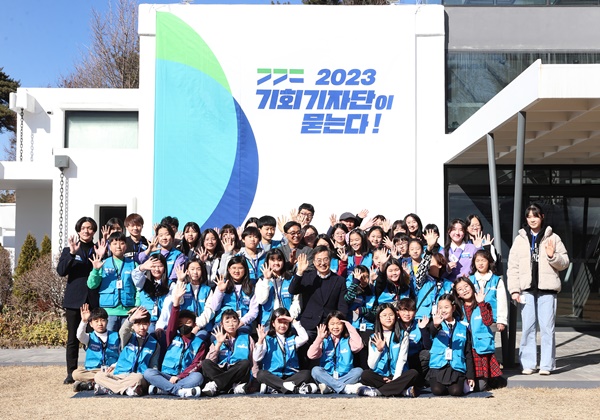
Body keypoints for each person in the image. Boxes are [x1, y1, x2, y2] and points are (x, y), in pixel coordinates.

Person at [507, 203, 569, 376]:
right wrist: (514, 289)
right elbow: (513, 267)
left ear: (542, 217)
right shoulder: (520, 239)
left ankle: (546, 365)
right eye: (529, 216)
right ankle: (528, 364)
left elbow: (565, 262)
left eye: (535, 215)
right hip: (526, 290)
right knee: (528, 327)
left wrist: (552, 256)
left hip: (547, 290)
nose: (532, 219)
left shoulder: (553, 237)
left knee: (547, 329)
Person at [144, 282, 207, 398]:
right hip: (167, 375)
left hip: (184, 377)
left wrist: (179, 377)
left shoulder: (199, 343)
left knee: (198, 377)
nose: (184, 325)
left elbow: (196, 364)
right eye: (181, 323)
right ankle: (178, 391)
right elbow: (172, 321)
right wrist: (176, 302)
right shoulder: (172, 336)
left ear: (194, 324)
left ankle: (164, 389)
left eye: (188, 322)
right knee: (148, 373)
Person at [57, 216, 100, 384]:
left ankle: (94, 370)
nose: (86, 231)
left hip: (93, 300)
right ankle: (71, 372)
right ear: (78, 231)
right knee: (73, 338)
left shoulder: (99, 249)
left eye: (89, 228)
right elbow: (61, 271)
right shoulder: (69, 250)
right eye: (83, 228)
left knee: (94, 337)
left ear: (94, 231)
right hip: (74, 300)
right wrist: (72, 253)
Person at [289, 247, 348, 353]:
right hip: (309, 325)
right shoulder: (307, 276)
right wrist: (300, 272)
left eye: (325, 259)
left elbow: (342, 305)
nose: (322, 263)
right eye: (319, 260)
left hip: (329, 327)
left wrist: (337, 324)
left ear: (330, 260)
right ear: (313, 262)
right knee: (306, 356)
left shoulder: (339, 280)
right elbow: (292, 290)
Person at [94, 306, 160, 396]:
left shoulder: (155, 343)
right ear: (133, 325)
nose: (142, 327)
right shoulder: (128, 337)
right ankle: (127, 389)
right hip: (120, 374)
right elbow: (123, 331)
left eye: (144, 324)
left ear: (149, 324)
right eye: (138, 324)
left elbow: (154, 366)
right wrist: (131, 318)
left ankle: (109, 388)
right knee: (98, 376)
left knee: (138, 378)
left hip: (137, 376)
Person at [357, 303, 420, 397]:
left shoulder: (403, 335)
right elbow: (372, 365)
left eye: (391, 315)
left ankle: (378, 392)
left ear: (396, 316)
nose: (388, 318)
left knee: (413, 373)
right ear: (379, 318)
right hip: (381, 376)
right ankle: (402, 391)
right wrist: (379, 350)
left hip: (398, 375)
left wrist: (395, 379)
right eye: (384, 315)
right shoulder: (373, 337)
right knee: (365, 375)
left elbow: (402, 360)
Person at [454, 276, 505, 391]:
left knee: (481, 387)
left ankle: (493, 379)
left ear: (472, 287)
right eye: (460, 289)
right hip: (466, 348)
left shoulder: (484, 304)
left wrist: (481, 303)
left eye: (466, 286)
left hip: (480, 348)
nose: (464, 290)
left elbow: (488, 321)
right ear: (458, 294)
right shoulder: (457, 309)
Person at [254, 308, 316, 394]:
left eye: (285, 322)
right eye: (280, 322)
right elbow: (256, 358)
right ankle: (293, 389)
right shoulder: (267, 339)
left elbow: (305, 337)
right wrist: (260, 340)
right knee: (261, 374)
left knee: (306, 374)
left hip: (290, 376)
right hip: (273, 375)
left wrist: (293, 321)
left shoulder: (292, 339)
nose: (283, 325)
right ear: (273, 323)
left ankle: (275, 387)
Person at [425, 293, 475, 396]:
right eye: (440, 308)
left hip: (456, 367)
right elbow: (429, 339)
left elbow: (468, 353)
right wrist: (435, 325)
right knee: (437, 391)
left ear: (453, 308)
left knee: (456, 391)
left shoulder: (463, 327)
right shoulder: (435, 324)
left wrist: (470, 376)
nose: (443, 310)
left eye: (446, 307)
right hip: (438, 366)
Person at [88, 232, 137, 332]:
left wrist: (137, 305)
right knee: (110, 339)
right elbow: (91, 285)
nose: (118, 246)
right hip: (108, 312)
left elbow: (139, 288)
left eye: (122, 243)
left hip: (128, 311)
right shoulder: (103, 263)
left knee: (127, 339)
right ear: (109, 247)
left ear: (126, 246)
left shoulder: (133, 264)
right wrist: (95, 270)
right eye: (114, 244)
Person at [201, 309, 256, 396]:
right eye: (227, 322)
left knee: (245, 363)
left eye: (234, 321)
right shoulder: (217, 340)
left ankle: (216, 384)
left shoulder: (247, 338)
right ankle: (231, 387)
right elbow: (211, 360)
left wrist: (254, 379)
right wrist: (218, 344)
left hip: (238, 372)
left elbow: (253, 360)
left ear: (238, 323)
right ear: (222, 324)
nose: (231, 324)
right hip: (221, 370)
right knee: (205, 363)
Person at [308, 311, 364, 394]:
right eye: (332, 324)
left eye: (339, 324)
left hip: (345, 376)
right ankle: (343, 388)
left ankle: (330, 387)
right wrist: (319, 338)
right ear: (327, 325)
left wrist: (349, 326)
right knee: (315, 370)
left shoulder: (348, 340)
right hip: (327, 376)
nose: (335, 327)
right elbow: (311, 355)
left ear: (343, 325)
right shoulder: (324, 340)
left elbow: (359, 346)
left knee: (359, 371)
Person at [72, 304, 120, 392]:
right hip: (93, 370)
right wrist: (84, 321)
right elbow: (79, 335)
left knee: (120, 373)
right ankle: (100, 382)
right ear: (91, 324)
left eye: (103, 320)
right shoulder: (88, 337)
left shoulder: (116, 336)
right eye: (96, 321)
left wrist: (114, 365)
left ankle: (92, 383)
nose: (100, 324)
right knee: (76, 374)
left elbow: (122, 355)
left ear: (107, 321)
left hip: (110, 370)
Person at [255, 248, 301, 326]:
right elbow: (261, 300)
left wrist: (289, 317)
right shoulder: (262, 280)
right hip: (268, 322)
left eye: (279, 260)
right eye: (273, 260)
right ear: (267, 262)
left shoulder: (291, 279)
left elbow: (296, 301)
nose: (276, 263)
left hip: (288, 321)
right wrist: (266, 280)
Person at [211, 256, 258, 327]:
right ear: (229, 269)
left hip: (243, 323)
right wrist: (220, 291)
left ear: (245, 269)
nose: (237, 271)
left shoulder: (251, 287)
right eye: (234, 268)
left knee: (243, 334)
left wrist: (242, 322)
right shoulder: (222, 284)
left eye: (240, 268)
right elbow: (214, 307)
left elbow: (254, 311)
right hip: (223, 322)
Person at [469, 249, 508, 331]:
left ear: (489, 262)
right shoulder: (470, 280)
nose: (480, 263)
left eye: (483, 260)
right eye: (477, 261)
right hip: (473, 319)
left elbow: (502, 301)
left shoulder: (496, 280)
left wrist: (501, 320)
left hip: (491, 319)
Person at [132, 253, 170, 333]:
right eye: (154, 266)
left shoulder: (171, 284)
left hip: (164, 322)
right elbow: (135, 275)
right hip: (147, 321)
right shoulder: (144, 281)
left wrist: (160, 326)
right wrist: (142, 267)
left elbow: (168, 307)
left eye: (160, 266)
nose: (157, 269)